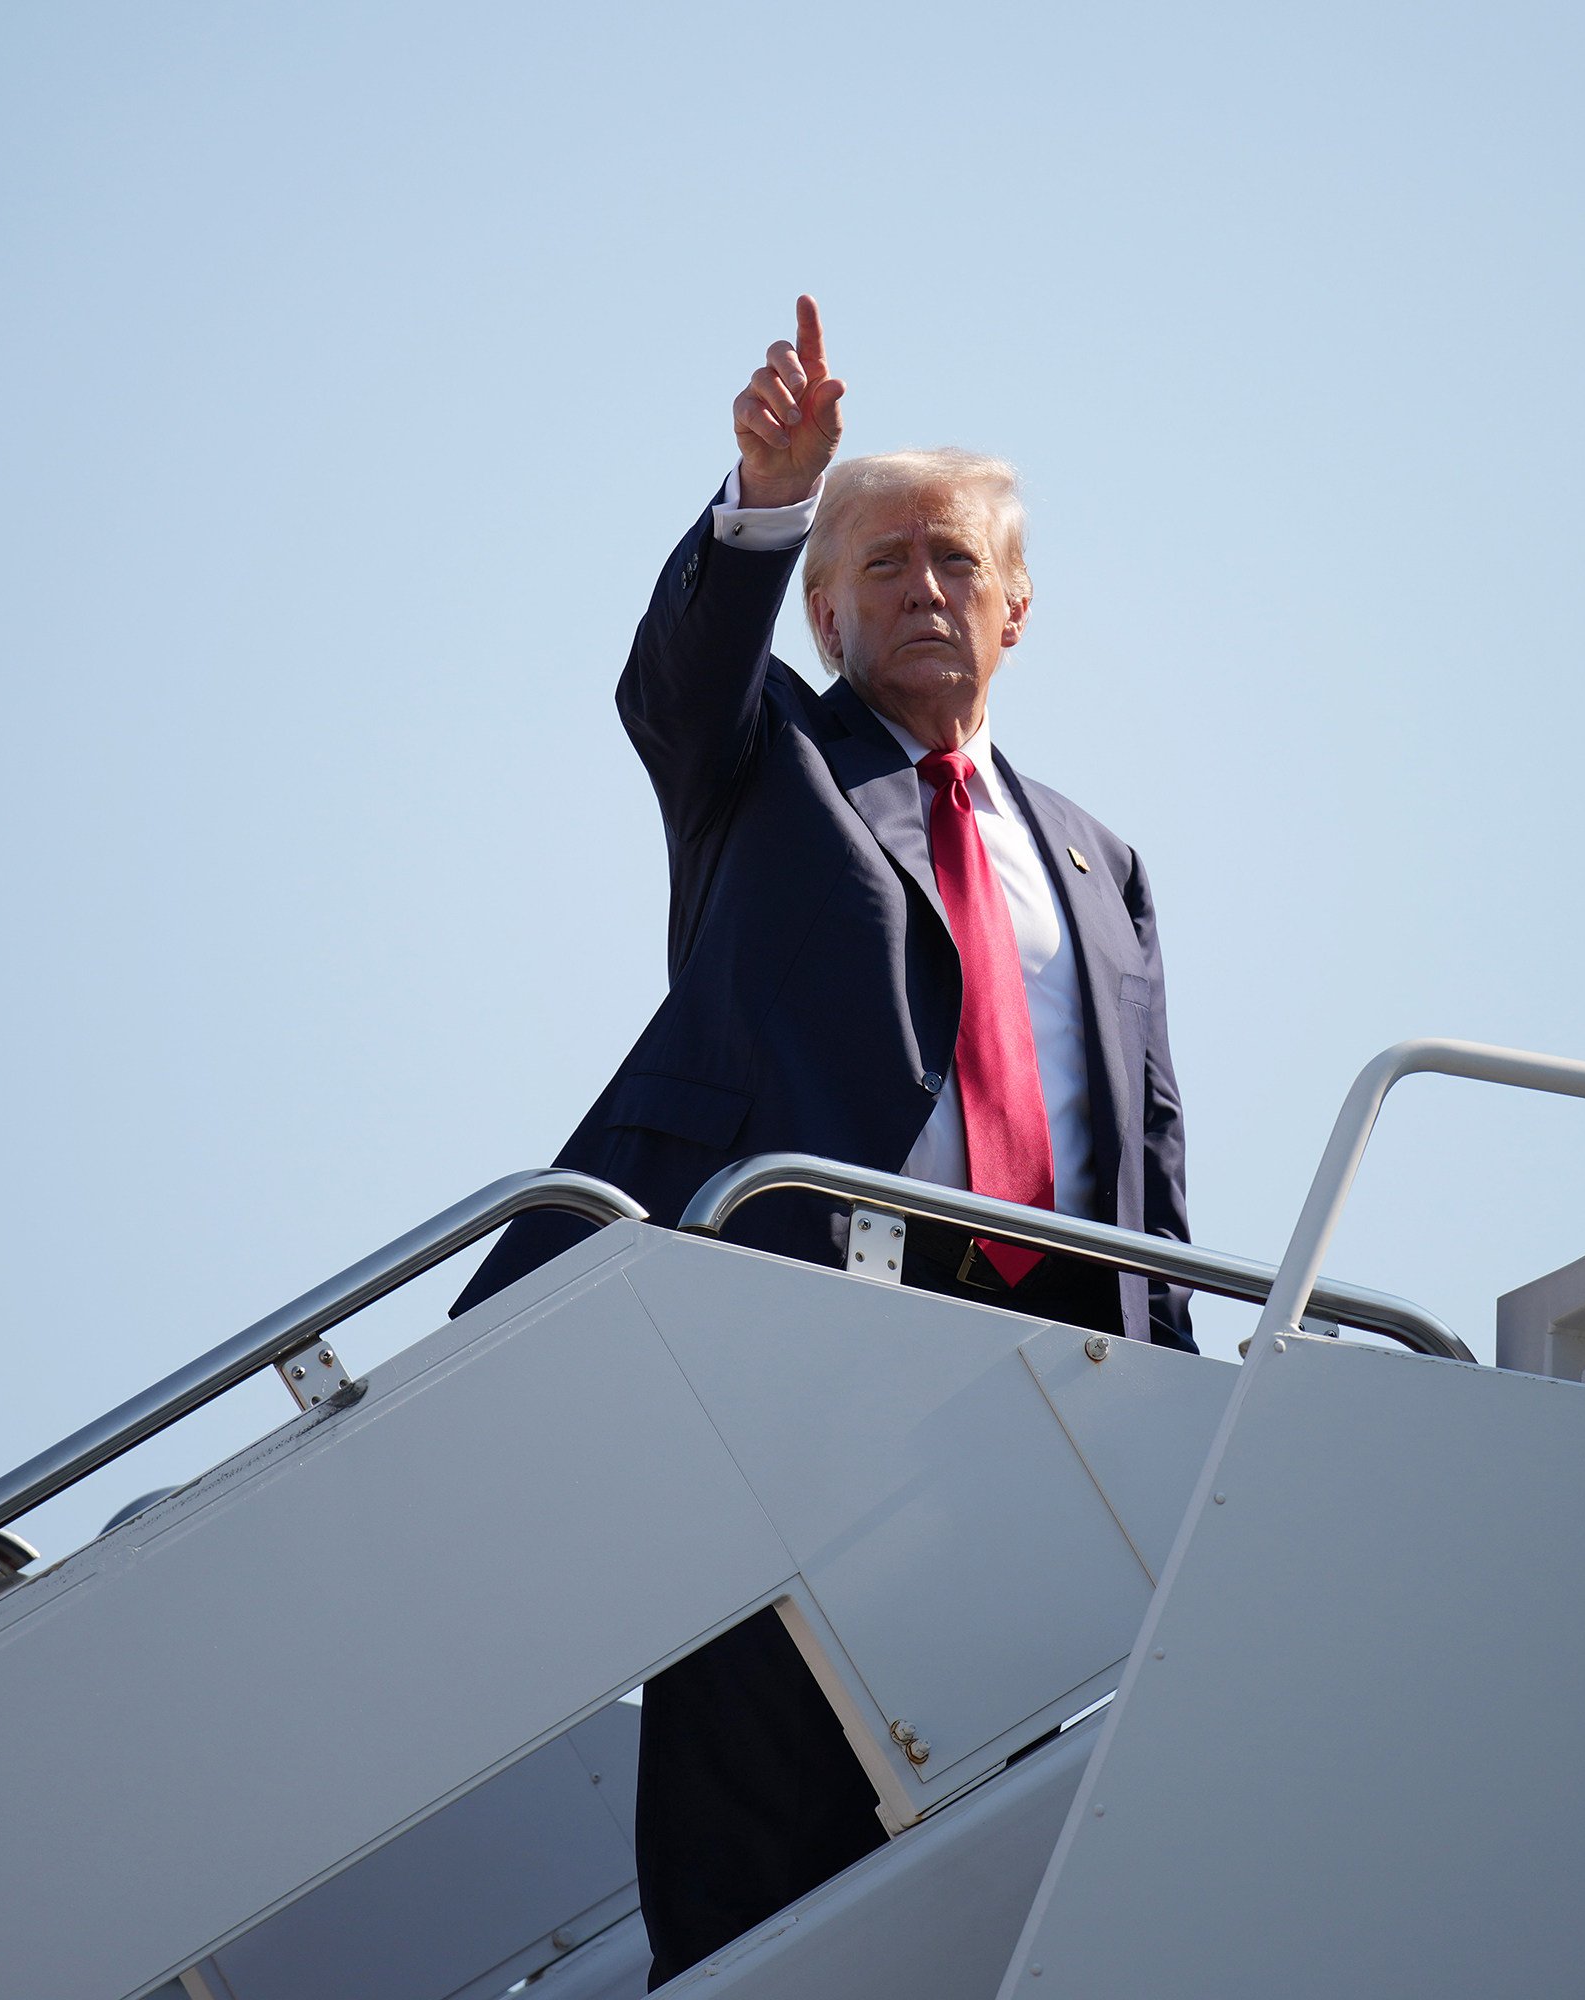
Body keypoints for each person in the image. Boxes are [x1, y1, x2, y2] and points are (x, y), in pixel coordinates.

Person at [450, 297, 1194, 1985]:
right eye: (876, 567)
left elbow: (1141, 1142)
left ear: (1015, 609)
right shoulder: (766, 753)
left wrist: (1183, 1386)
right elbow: (678, 676)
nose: (918, 591)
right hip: (794, 1310)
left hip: (1047, 1351)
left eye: (952, 564)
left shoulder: (1099, 856)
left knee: (1009, 1765)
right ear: (826, 606)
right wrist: (767, 491)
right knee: (756, 1751)